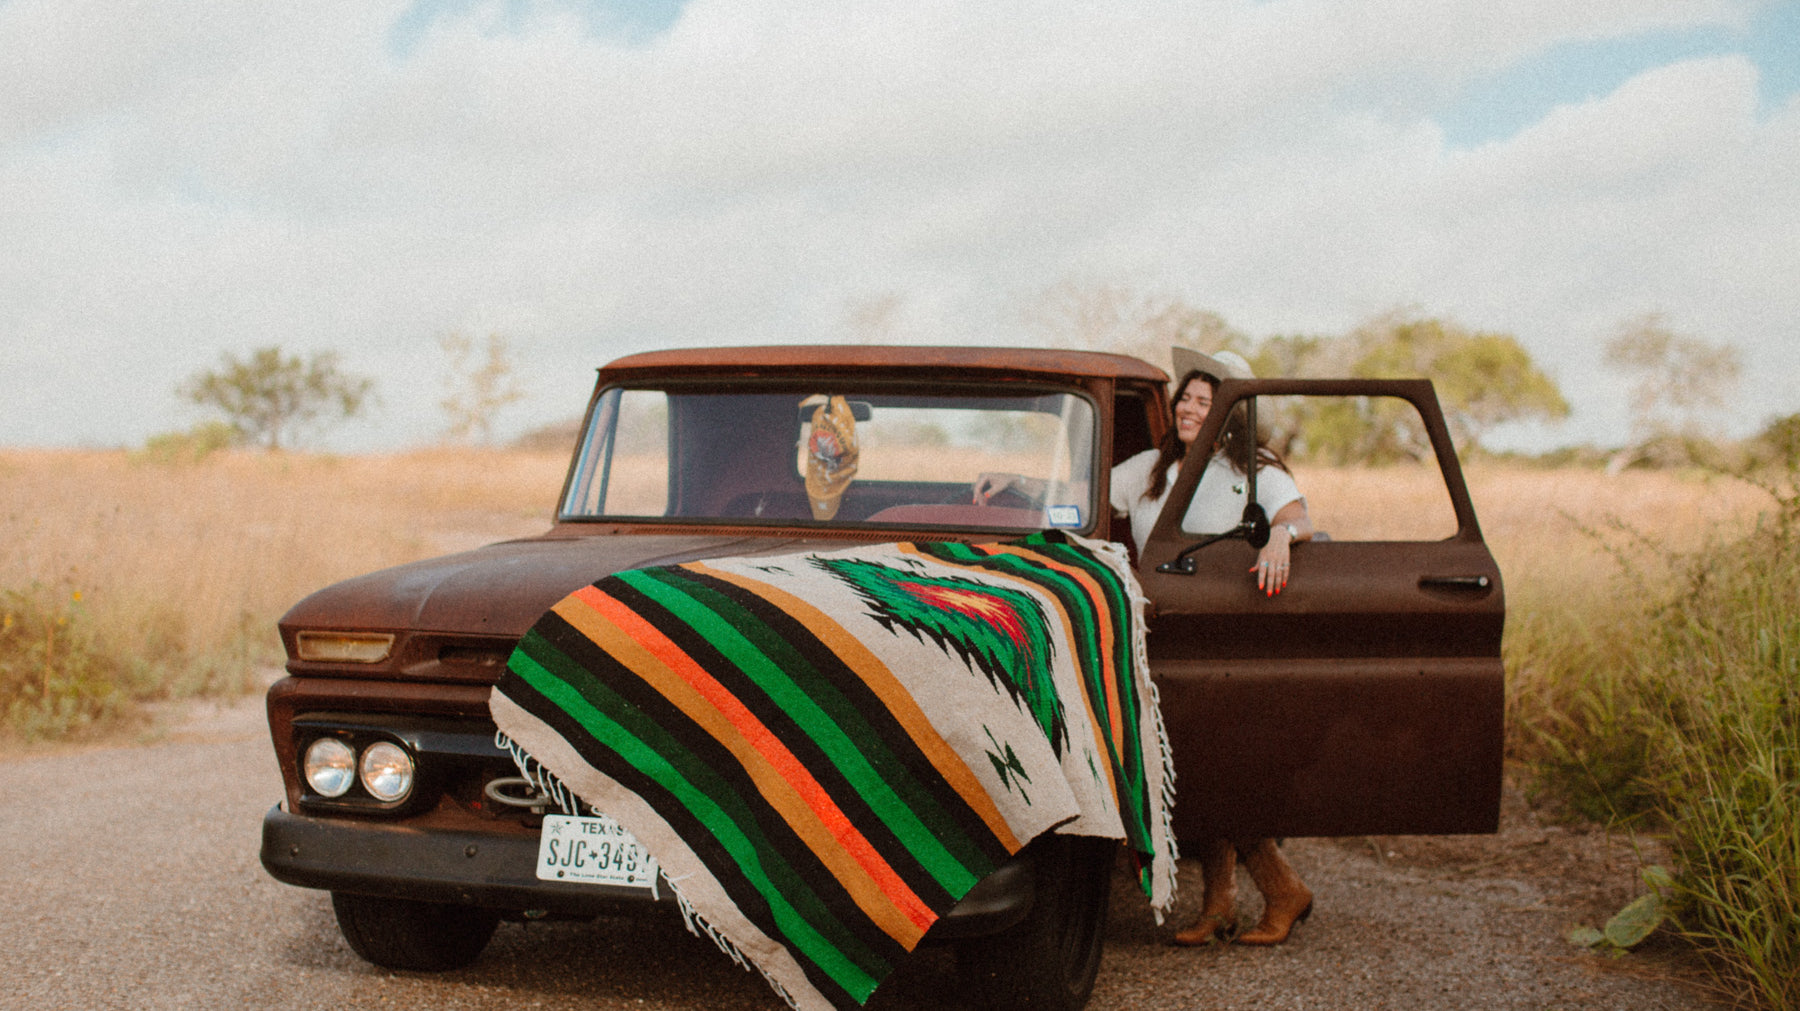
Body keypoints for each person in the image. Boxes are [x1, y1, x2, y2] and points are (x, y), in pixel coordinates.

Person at [980, 349, 1315, 946]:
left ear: (1230, 414)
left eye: (1205, 401)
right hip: (1159, 623)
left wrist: (1281, 538)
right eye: (1187, 396)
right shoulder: (1154, 468)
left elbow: (1297, 516)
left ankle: (1281, 888)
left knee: (1216, 763)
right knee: (1192, 763)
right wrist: (1020, 486)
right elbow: (1083, 498)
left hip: (1225, 625)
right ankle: (1221, 904)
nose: (1189, 408)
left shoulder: (1254, 470)